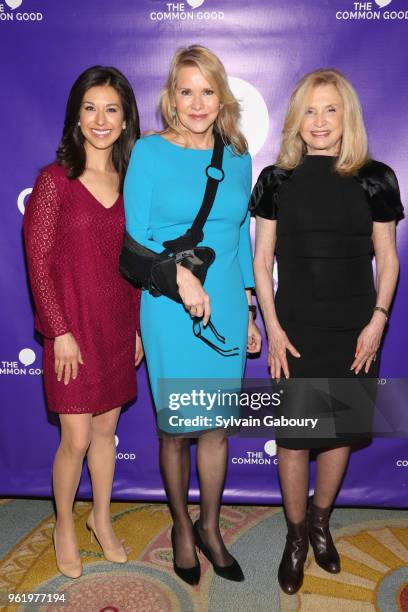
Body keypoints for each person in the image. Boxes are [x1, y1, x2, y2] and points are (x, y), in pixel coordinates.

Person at [251, 68, 403, 595]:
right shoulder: (276, 179)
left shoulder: (376, 177)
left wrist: (378, 322)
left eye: (331, 110)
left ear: (347, 118)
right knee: (294, 440)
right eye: (310, 110)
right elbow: (261, 258)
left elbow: (387, 258)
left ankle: (320, 524)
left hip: (356, 327)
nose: (319, 121)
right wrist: (271, 327)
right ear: (297, 118)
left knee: (337, 433)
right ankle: (296, 537)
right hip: (294, 329)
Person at [124, 45, 261, 584]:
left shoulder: (239, 157)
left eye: (208, 90)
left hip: (225, 301)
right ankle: (181, 525)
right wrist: (177, 276)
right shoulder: (148, 154)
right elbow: (134, 240)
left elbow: (238, 241)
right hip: (166, 303)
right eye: (187, 91)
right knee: (177, 430)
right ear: (171, 99)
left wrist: (249, 308)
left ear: (221, 96)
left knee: (217, 429)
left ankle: (210, 527)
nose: (198, 102)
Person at [23, 66, 143, 579]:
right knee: (74, 438)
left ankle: (101, 517)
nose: (100, 119)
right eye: (90, 108)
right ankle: (65, 524)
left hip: (117, 326)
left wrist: (138, 327)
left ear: (124, 119)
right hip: (71, 330)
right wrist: (58, 332)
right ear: (76, 116)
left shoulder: (131, 180)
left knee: (106, 431)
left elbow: (137, 260)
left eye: (111, 109)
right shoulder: (54, 181)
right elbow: (39, 259)